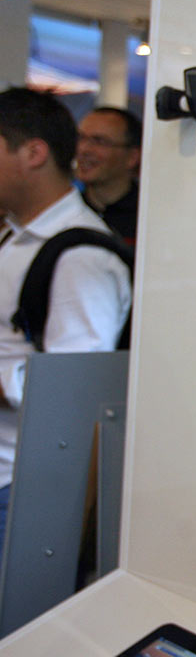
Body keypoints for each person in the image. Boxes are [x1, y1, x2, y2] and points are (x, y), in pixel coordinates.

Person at [0, 88, 131, 559]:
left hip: (19, 486)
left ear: (33, 153)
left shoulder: (80, 254)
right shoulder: (18, 237)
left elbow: (72, 391)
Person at [75, 106, 141, 243]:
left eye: (99, 141)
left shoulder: (146, 216)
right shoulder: (68, 210)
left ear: (132, 157)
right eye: (80, 138)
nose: (83, 149)